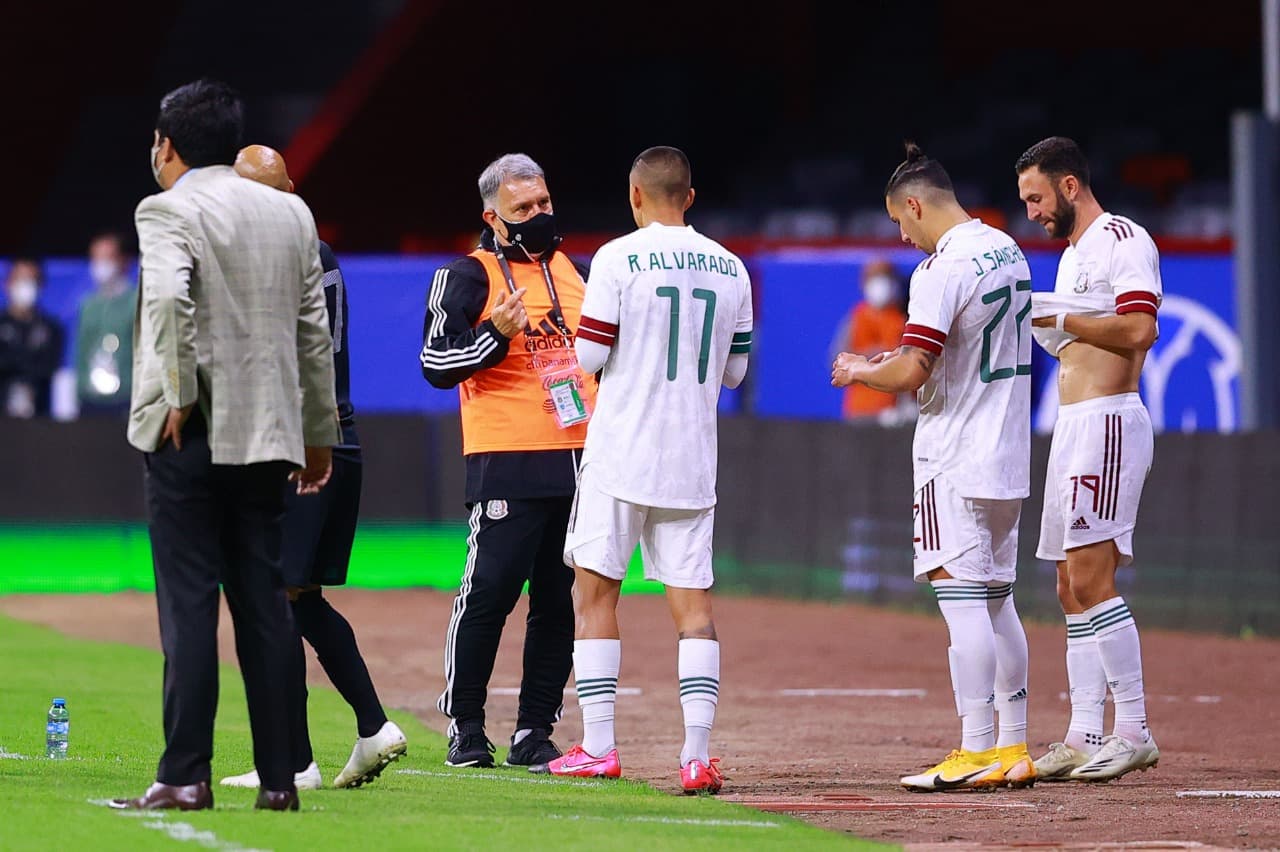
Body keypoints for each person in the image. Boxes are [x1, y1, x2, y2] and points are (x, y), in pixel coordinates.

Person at [110, 79, 339, 813]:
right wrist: (319, 431)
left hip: (194, 430)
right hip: (271, 435)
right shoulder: (289, 211)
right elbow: (314, 331)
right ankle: (279, 780)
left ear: (166, 146)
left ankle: (184, 774)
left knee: (188, 606)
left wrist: (178, 392)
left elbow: (172, 299)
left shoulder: (166, 208)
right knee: (265, 605)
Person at [535, 146, 752, 795]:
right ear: (690, 195)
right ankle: (695, 757)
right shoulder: (732, 267)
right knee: (693, 608)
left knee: (595, 593)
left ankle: (599, 745)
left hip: (622, 449)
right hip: (691, 454)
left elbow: (593, 352)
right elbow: (736, 372)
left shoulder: (616, 258)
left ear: (635, 196)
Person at [831, 142, 1035, 792]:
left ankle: (974, 748)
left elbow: (914, 369)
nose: (902, 235)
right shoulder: (1007, 248)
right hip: (1007, 448)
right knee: (999, 601)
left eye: (900, 220)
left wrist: (863, 367)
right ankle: (1013, 745)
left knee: (962, 601)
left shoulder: (942, 268)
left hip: (956, 450)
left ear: (916, 205)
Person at [218, 145, 406, 793]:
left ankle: (298, 760)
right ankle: (367, 728)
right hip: (338, 441)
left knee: (276, 598)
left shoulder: (279, 255)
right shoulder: (318, 250)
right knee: (299, 599)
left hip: (304, 447)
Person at [420, 153, 595, 770]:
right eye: (524, 209)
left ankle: (533, 730)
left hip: (580, 459)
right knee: (488, 593)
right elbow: (435, 366)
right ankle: (466, 727)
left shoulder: (581, 272)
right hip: (506, 459)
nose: (539, 216)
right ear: (493, 217)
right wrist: (493, 333)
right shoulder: (466, 276)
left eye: (544, 204)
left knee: (558, 601)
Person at [1017, 136, 1161, 782]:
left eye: (1037, 197)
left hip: (1108, 422)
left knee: (1092, 577)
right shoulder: (1074, 256)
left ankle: (1133, 728)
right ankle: (1083, 732)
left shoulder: (1122, 240)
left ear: (1070, 186)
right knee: (1067, 583)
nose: (1032, 212)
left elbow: (1138, 330)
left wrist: (1064, 319)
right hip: (1073, 424)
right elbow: (1077, 339)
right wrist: (1053, 324)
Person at [74, 231, 137, 416]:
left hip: (126, 400)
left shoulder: (137, 302)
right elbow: (81, 351)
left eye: (107, 257)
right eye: (96, 258)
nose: (101, 265)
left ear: (123, 260)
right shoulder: (87, 305)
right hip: (89, 400)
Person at [839, 259, 906, 422]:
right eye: (874, 278)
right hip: (859, 409)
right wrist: (871, 356)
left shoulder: (902, 319)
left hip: (892, 412)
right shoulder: (857, 318)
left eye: (884, 277)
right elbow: (836, 360)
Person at [0, 259, 65, 419]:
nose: (25, 286)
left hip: (40, 419)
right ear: (7, 283)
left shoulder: (51, 328)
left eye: (31, 281)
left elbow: (48, 368)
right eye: (20, 279)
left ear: (41, 285)